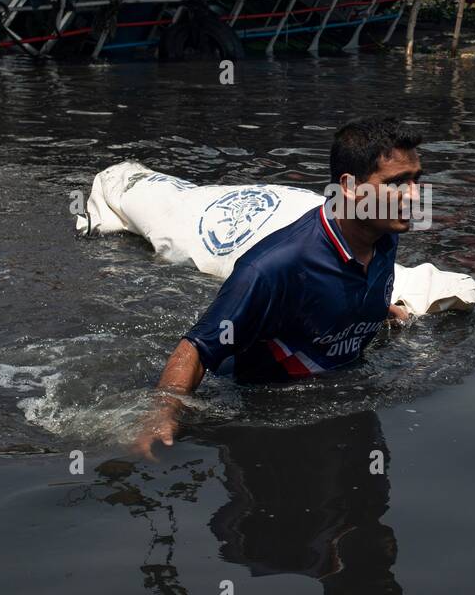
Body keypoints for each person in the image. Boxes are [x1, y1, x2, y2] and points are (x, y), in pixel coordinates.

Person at [135, 118, 423, 452]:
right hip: (266, 411)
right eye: (397, 182)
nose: (414, 196)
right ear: (349, 187)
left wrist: (372, 309)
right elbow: (196, 348)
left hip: (349, 407)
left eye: (417, 180)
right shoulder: (273, 268)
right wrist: (161, 414)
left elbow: (341, 285)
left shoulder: (384, 235)